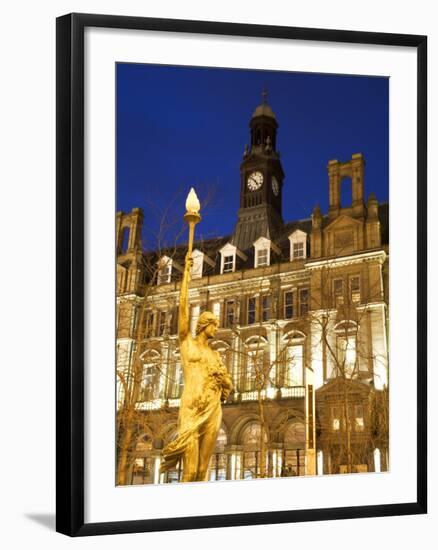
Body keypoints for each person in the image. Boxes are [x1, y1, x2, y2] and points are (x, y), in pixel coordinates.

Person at [160, 254, 233, 482]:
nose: (217, 328)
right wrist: (186, 276)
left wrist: (224, 381)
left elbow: (228, 388)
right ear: (204, 325)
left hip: (213, 409)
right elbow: (182, 310)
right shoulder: (187, 343)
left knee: (203, 471)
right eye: (215, 324)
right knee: (189, 471)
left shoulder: (215, 354)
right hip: (191, 409)